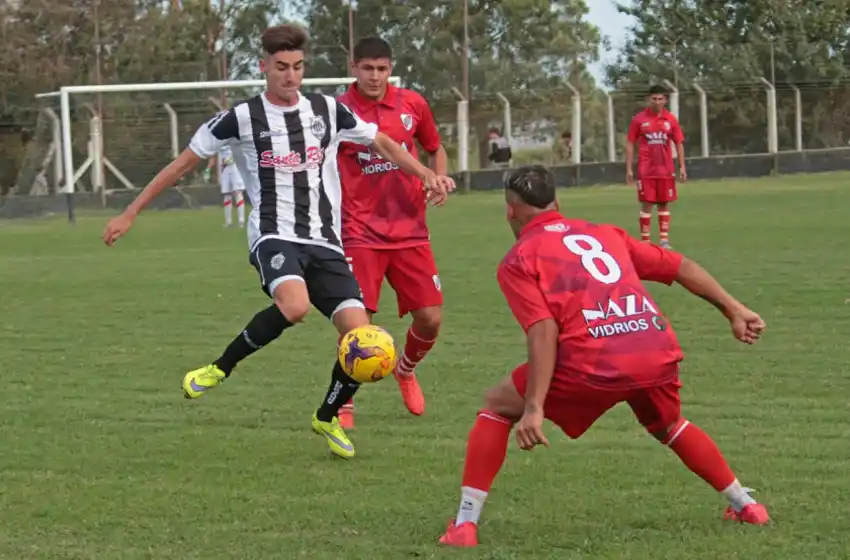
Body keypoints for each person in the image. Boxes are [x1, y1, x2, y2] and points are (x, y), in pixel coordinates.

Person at [101, 23, 454, 460]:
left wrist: (426, 174)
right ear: (264, 67)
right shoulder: (241, 118)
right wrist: (130, 212)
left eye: (298, 67)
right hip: (273, 234)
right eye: (282, 67)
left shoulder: (327, 110)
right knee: (295, 305)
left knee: (361, 337)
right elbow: (180, 166)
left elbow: (384, 143)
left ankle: (327, 416)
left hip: (324, 240)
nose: (291, 76)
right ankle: (219, 368)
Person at [438, 165, 769, 548]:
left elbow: (543, 330)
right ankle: (747, 505)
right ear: (557, 202)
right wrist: (734, 309)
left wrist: (533, 407)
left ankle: (464, 525)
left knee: (497, 406)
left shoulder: (520, 258)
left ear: (510, 210)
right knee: (669, 424)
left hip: (594, 360)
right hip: (652, 346)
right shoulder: (604, 233)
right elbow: (680, 266)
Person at [334, 36, 450, 427]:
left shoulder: (412, 104)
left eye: (382, 69)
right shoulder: (338, 111)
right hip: (359, 230)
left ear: (391, 69)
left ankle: (405, 370)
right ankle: (344, 401)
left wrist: (440, 177)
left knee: (431, 318)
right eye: (367, 68)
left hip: (411, 229)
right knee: (355, 322)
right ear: (353, 67)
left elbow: (434, 147)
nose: (374, 76)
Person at [625, 85, 687, 248]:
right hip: (646, 170)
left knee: (664, 203)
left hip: (666, 169)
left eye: (660, 99)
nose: (657, 102)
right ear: (649, 99)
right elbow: (630, 143)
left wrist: (682, 167)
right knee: (647, 203)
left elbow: (679, 143)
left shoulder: (670, 120)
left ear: (665, 100)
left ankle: (664, 240)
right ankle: (645, 241)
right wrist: (629, 169)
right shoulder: (639, 120)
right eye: (654, 98)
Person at [218, 145, 246, 228]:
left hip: (235, 167)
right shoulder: (220, 138)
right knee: (227, 194)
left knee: (238, 193)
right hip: (224, 169)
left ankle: (241, 221)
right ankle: (228, 221)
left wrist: (231, 159)